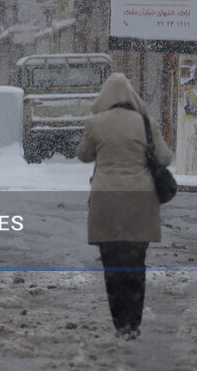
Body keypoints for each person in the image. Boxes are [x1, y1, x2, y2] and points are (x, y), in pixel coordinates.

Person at [75, 72, 173, 340]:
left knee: (113, 268)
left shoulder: (95, 123)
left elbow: (83, 155)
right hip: (141, 203)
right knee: (136, 266)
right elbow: (165, 157)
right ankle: (134, 324)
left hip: (106, 202)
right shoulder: (146, 122)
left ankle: (120, 324)